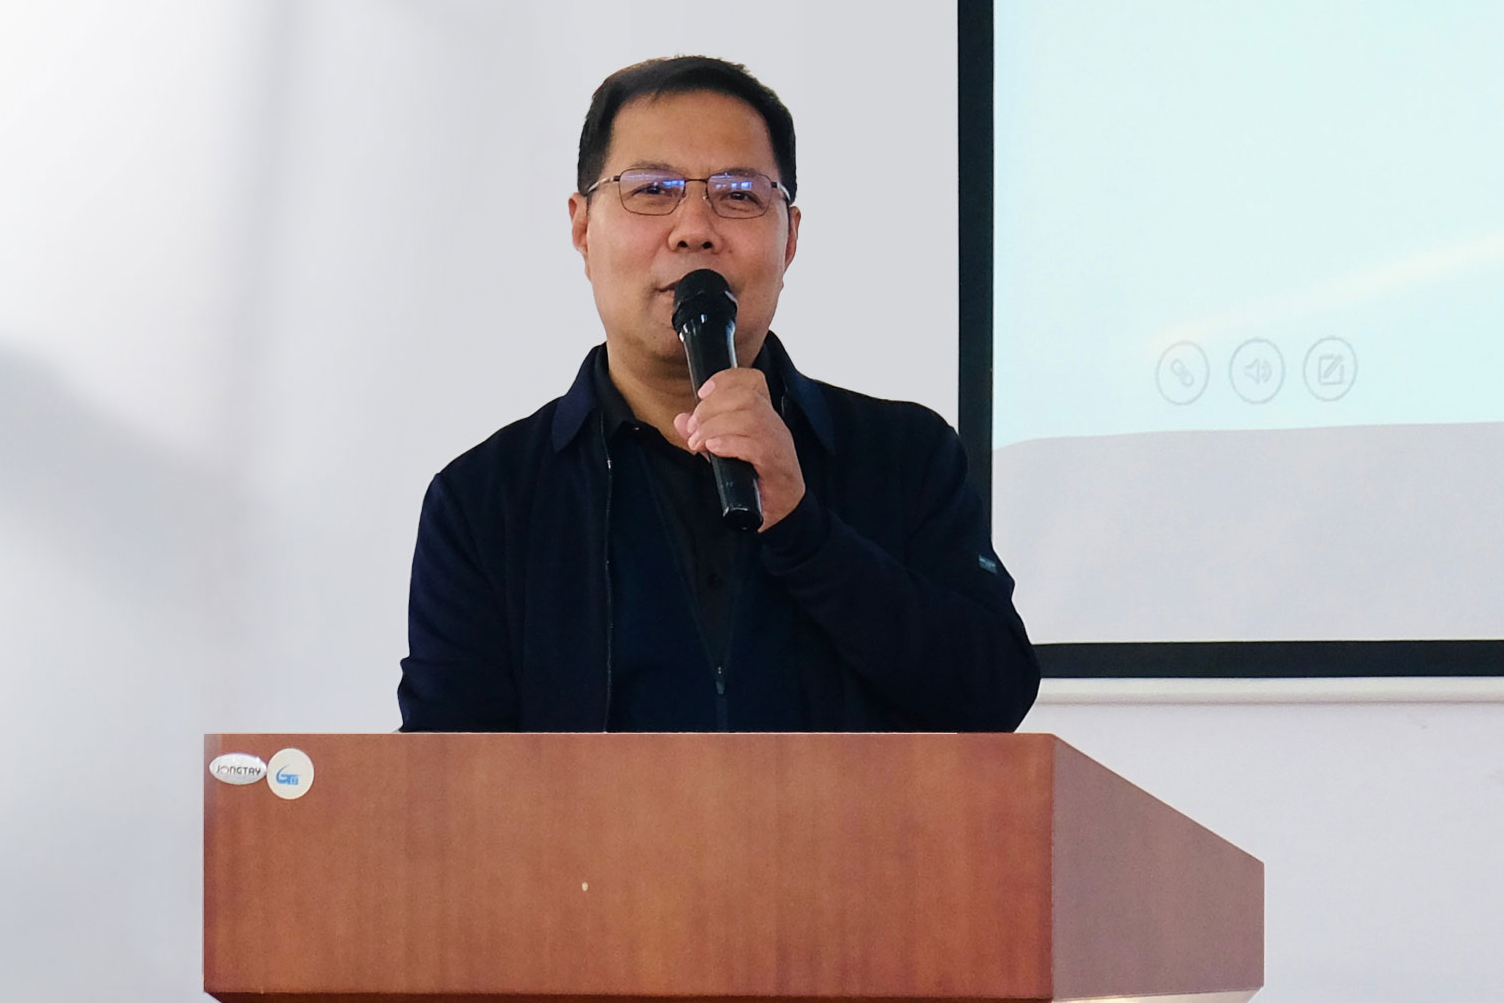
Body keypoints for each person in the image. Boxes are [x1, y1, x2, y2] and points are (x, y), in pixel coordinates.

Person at [396, 55, 1036, 731]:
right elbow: (443, 774)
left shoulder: (906, 456)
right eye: (652, 190)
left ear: (790, 237)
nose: (695, 229)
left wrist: (805, 529)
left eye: (738, 194)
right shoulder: (487, 500)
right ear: (582, 228)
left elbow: (994, 695)